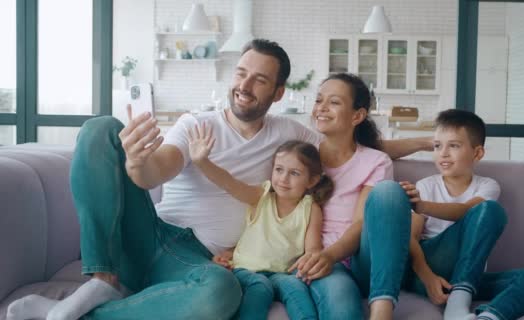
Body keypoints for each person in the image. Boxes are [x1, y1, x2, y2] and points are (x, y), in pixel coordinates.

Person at [6, 39, 429, 320]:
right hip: (149, 234)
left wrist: (429, 146)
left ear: (278, 93)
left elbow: (351, 146)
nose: (244, 85)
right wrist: (136, 162)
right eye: (241, 73)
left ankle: (80, 313)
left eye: (259, 79)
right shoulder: (196, 124)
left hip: (195, 262)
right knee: (99, 128)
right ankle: (101, 280)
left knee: (221, 292)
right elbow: (158, 169)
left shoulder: (292, 135)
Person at [289, 73, 418, 320]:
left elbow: (360, 224)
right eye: (319, 100)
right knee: (342, 310)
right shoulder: (303, 159)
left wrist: (330, 254)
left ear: (357, 116)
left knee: (389, 192)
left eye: (334, 102)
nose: (322, 108)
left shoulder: (376, 160)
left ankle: (382, 308)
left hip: (364, 260)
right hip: (322, 262)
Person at [401, 109, 524, 320]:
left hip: (468, 277)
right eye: (437, 146)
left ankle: (488, 316)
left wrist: (423, 206)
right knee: (489, 210)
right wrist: (428, 278)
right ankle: (456, 306)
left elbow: (467, 211)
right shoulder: (426, 186)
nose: (443, 153)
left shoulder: (488, 186)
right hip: (429, 270)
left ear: (477, 153)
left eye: (453, 145)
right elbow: (410, 238)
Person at [187, 129, 332, 320]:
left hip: (283, 273)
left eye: (294, 173)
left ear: (312, 180)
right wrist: (202, 162)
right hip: (245, 270)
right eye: (279, 170)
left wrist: (311, 262)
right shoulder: (261, 197)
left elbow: (313, 248)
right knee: (260, 286)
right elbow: (230, 183)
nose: (283, 179)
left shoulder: (310, 208)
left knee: (296, 288)